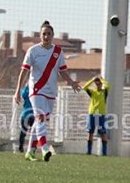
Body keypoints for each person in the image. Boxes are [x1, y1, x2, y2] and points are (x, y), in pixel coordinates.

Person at [13, 20, 81, 162]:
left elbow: (63, 71)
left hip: (51, 91)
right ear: (40, 35)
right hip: (36, 89)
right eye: (44, 34)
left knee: (41, 122)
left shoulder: (58, 52)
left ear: (52, 35)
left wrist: (71, 82)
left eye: (49, 34)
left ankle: (30, 152)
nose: (46, 36)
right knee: (40, 118)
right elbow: (24, 71)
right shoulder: (33, 51)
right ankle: (44, 148)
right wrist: (18, 90)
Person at [82, 75, 110, 156]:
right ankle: (89, 151)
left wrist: (102, 79)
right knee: (90, 132)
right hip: (92, 113)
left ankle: (104, 153)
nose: (98, 85)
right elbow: (85, 87)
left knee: (103, 133)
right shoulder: (93, 92)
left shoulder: (104, 92)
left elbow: (108, 85)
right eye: (97, 84)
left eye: (99, 84)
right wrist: (92, 79)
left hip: (101, 114)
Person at [17, 84, 35, 155]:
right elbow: (23, 95)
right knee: (24, 132)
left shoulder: (28, 90)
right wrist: (27, 86)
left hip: (32, 114)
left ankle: (32, 148)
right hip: (26, 114)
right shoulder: (27, 90)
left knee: (32, 132)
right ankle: (21, 147)